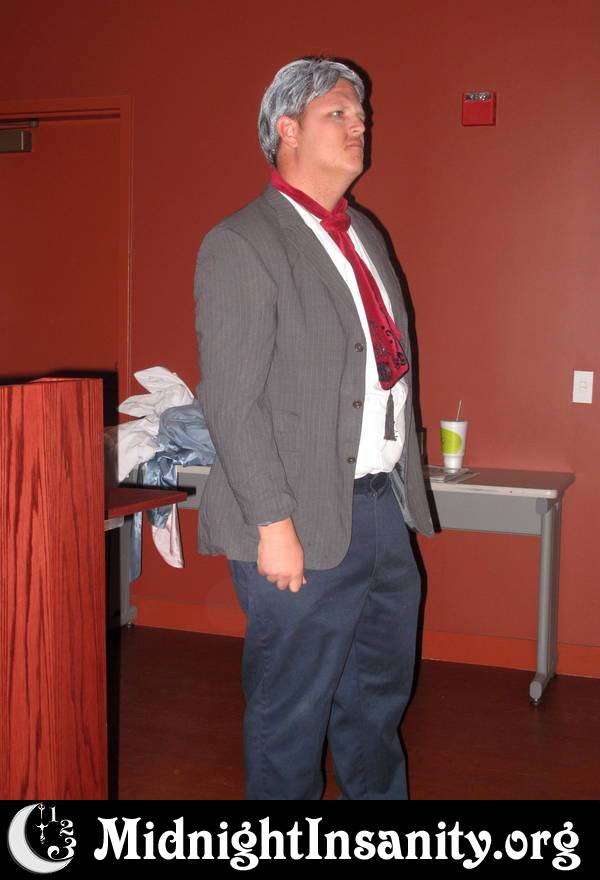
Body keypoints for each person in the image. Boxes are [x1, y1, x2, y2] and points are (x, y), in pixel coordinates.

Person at [193, 57, 433, 800]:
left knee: (376, 707)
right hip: (295, 517)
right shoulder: (241, 242)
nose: (360, 124)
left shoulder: (364, 234)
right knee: (290, 716)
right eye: (340, 113)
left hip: (380, 508)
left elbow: (379, 367)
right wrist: (274, 525)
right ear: (287, 129)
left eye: (362, 114)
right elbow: (232, 401)